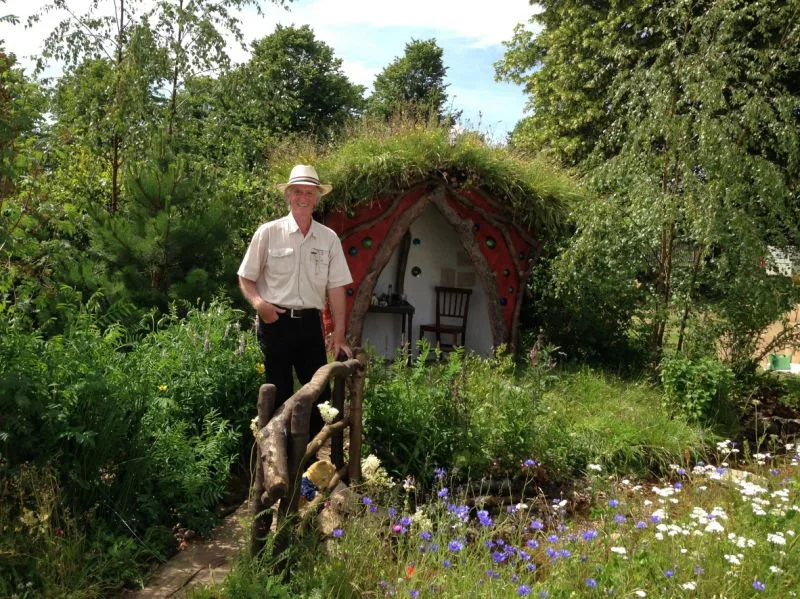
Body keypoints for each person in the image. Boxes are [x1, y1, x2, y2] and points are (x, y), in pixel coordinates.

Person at [238, 164, 353, 439]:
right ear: (289, 195)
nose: (303, 197)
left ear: (317, 198)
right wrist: (259, 305)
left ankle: (308, 465)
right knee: (278, 392)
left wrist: (338, 334)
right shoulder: (268, 232)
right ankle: (277, 460)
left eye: (309, 192)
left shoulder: (329, 239)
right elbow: (245, 277)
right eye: (298, 191)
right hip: (274, 322)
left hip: (310, 324)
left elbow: (337, 288)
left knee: (318, 394)